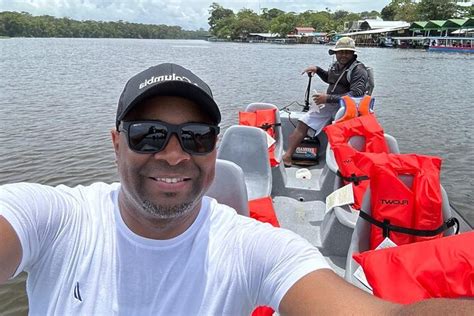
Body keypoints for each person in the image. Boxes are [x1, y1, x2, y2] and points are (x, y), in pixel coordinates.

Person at [0, 63, 472, 315]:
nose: (172, 155)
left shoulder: (252, 248)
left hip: (339, 115)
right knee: (306, 122)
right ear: (115, 141)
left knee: (312, 122)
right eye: (148, 134)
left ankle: (290, 154)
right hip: (331, 111)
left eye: (195, 137)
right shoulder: (56, 219)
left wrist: (329, 93)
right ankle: (289, 152)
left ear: (215, 146)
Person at [282, 37, 368, 167]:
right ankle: (288, 155)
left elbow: (357, 93)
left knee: (340, 133)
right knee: (303, 122)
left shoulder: (358, 70)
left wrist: (328, 98)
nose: (343, 55)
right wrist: (317, 69)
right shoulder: (336, 66)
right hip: (330, 103)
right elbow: (330, 79)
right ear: (335, 53)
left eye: (347, 52)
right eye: (340, 52)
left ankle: (342, 163)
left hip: (347, 108)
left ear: (353, 53)